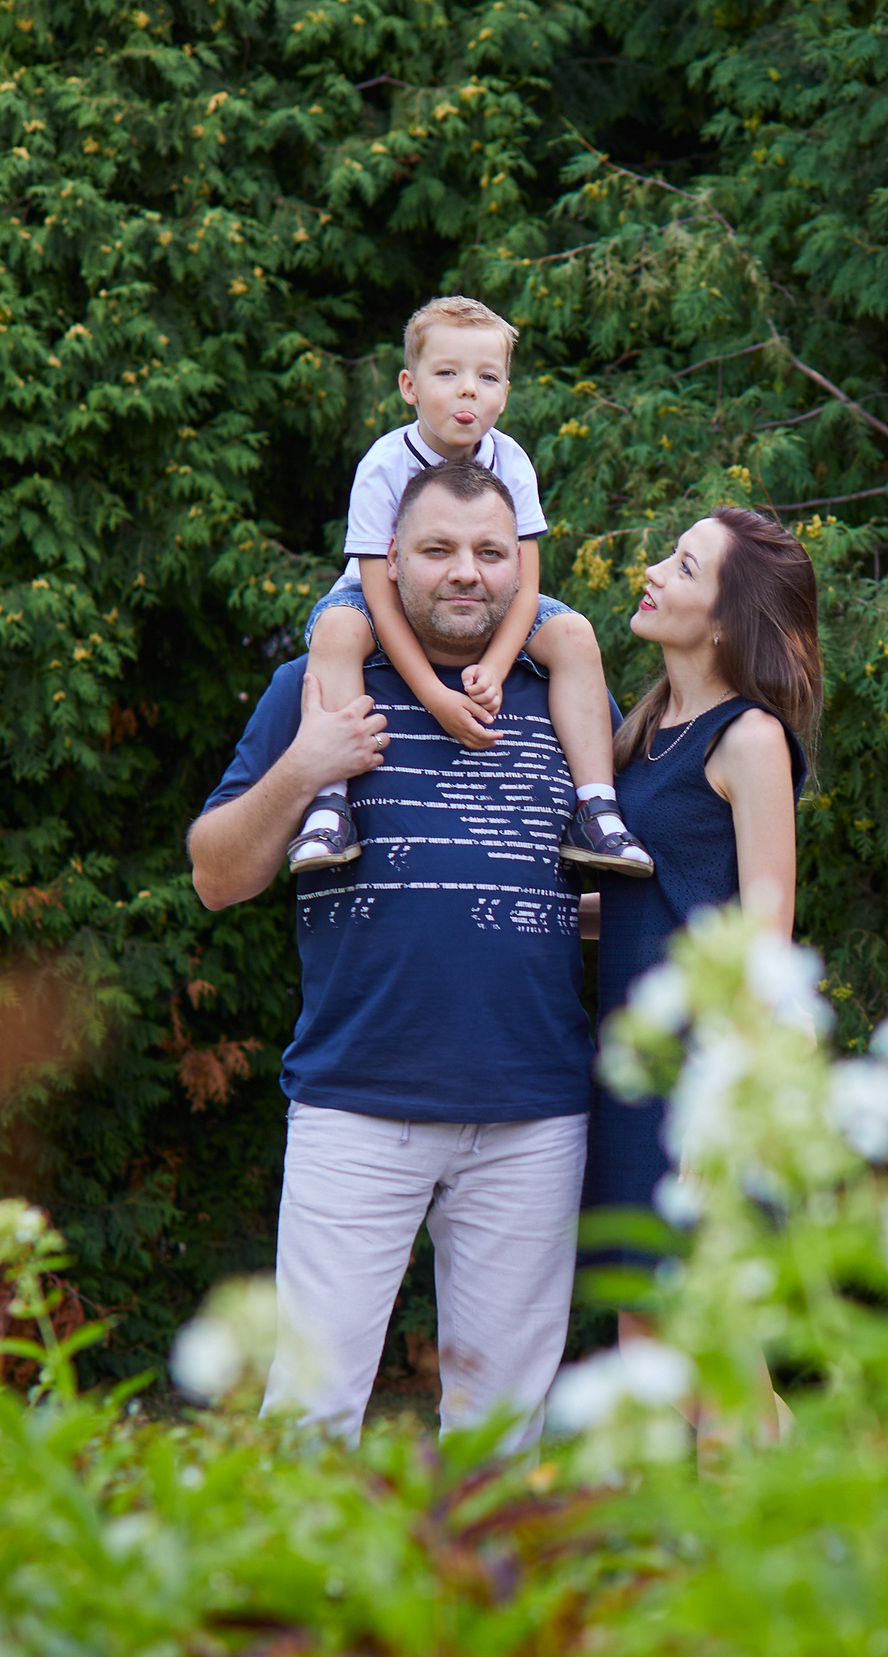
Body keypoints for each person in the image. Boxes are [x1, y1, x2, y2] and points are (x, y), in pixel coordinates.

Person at [188, 457, 594, 1449]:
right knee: (309, 1417)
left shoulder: (563, 693)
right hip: (357, 1103)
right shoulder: (320, 685)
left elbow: (610, 881)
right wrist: (305, 766)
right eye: (438, 549)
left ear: (520, 564)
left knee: (502, 1436)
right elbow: (215, 875)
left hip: (534, 1110)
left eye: (490, 551)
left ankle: (478, 1563)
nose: (467, 572)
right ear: (389, 561)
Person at [287, 295, 651, 881]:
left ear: (504, 393)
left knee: (574, 634)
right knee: (335, 629)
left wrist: (498, 666)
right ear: (409, 386)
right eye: (447, 373)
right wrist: (435, 694)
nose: (467, 391)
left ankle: (595, 809)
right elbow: (379, 595)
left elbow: (526, 584)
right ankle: (329, 806)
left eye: (487, 377)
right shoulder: (383, 464)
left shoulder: (513, 461)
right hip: (377, 600)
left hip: (491, 601)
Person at [583, 507, 823, 1242]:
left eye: (684, 567)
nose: (652, 572)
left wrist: (723, 1114)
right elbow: (646, 903)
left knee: (695, 1300)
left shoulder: (750, 737)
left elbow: (766, 943)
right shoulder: (642, 731)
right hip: (632, 1059)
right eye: (669, 555)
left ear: (726, 622)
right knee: (630, 1298)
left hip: (700, 1075)